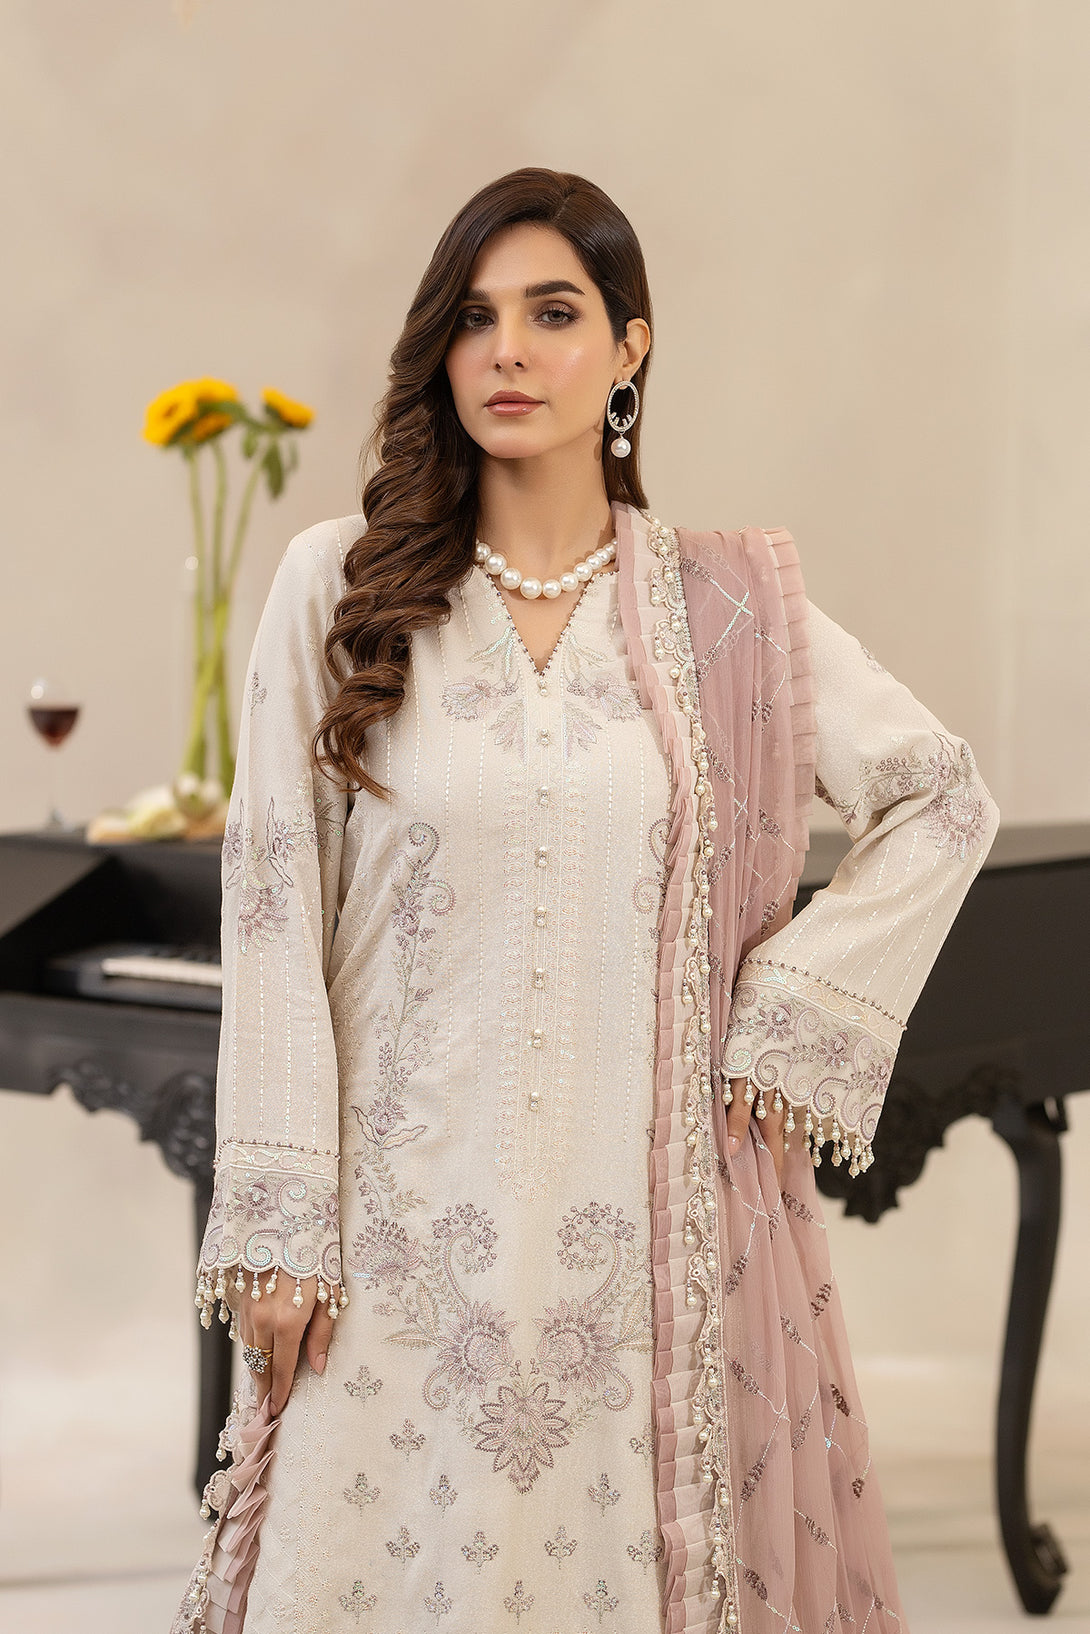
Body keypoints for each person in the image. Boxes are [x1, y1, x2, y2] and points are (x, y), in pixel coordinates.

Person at [173, 169, 998, 1634]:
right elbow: (271, 904)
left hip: (636, 1258)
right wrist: (283, 1223)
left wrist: (784, 1013)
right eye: (474, 318)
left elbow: (941, 796)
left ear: (629, 348)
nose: (508, 351)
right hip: (394, 1251)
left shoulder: (724, 611)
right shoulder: (342, 587)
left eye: (553, 313)